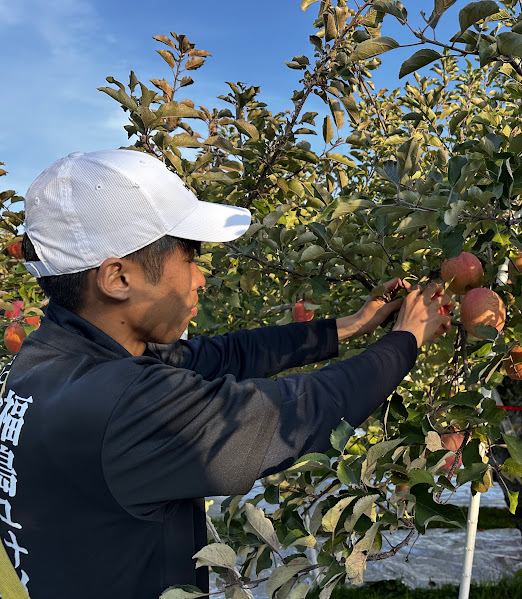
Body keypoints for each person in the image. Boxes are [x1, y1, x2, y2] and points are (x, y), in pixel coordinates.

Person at [0, 149, 452, 598]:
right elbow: (300, 413)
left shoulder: (47, 360)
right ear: (118, 278)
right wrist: (406, 339)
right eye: (191, 257)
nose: (200, 279)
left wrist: (349, 326)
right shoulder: (129, 407)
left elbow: (229, 353)